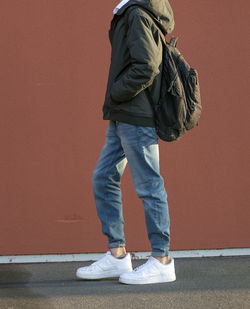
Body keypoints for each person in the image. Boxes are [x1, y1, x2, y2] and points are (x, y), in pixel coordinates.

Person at [76, 0, 176, 285]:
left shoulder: (136, 14)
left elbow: (147, 65)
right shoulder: (128, 12)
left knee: (148, 186)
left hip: (135, 115)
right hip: (123, 114)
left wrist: (117, 93)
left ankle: (161, 259)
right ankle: (117, 255)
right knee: (104, 177)